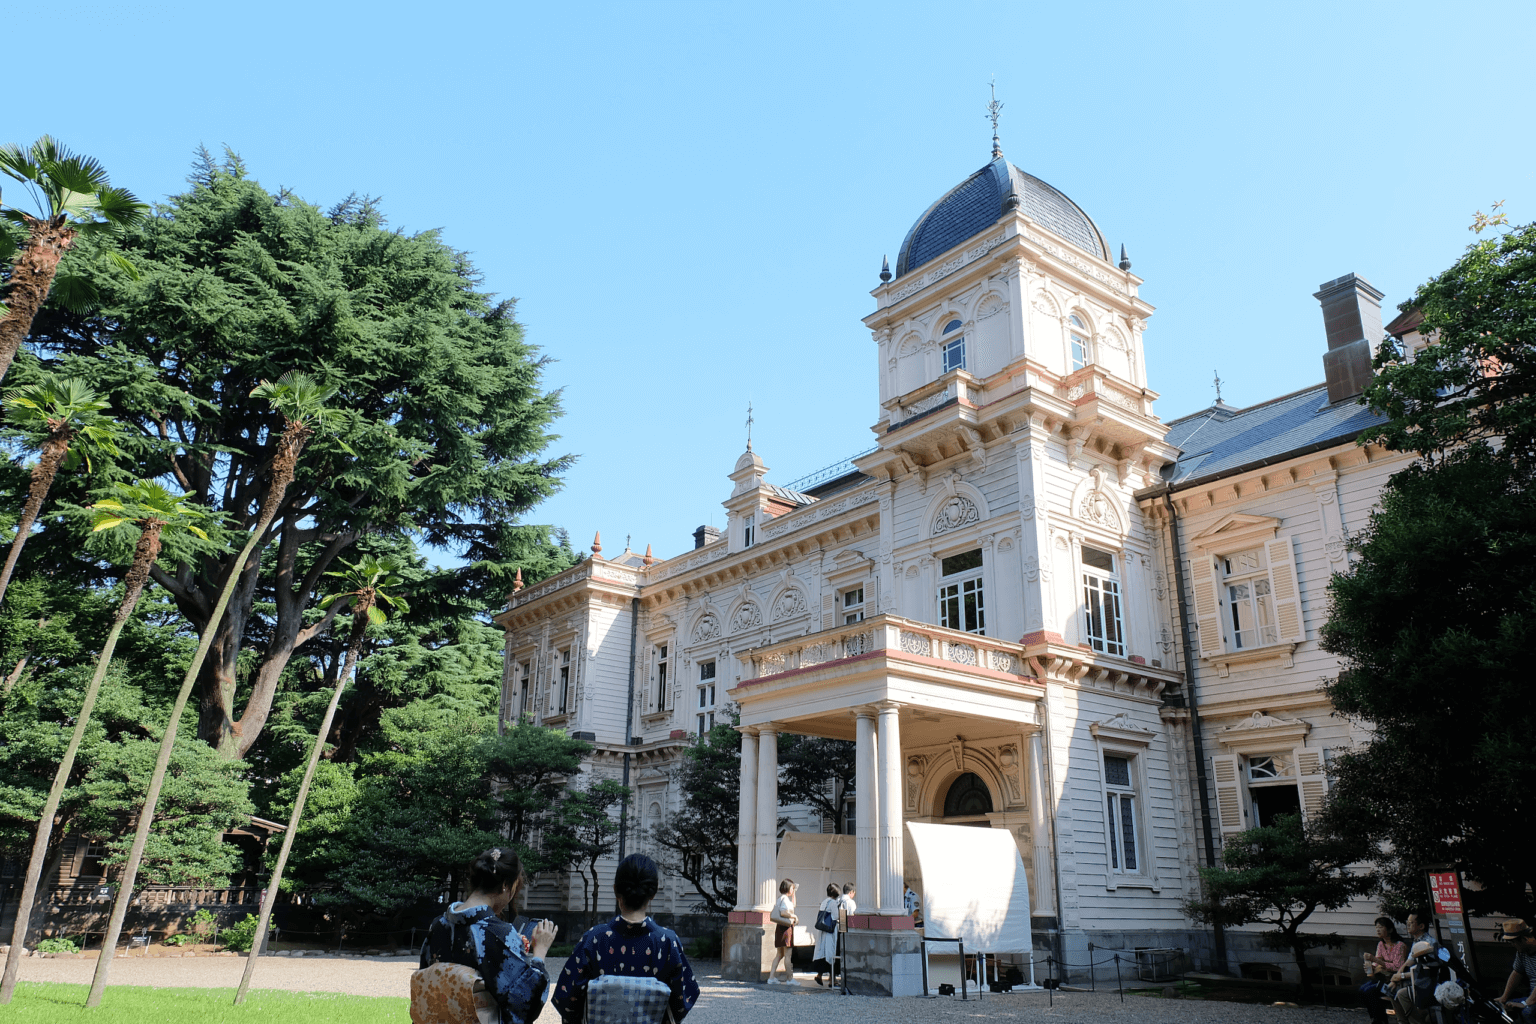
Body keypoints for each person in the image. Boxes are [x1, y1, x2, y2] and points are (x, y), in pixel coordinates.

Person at [551, 853, 699, 1023]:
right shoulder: (667, 942)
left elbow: (567, 1001)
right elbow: (682, 1003)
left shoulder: (593, 939)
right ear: (653, 893)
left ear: (616, 890)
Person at [419, 847, 557, 1024]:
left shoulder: (438, 925)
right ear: (506, 885)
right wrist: (539, 954)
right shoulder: (499, 933)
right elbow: (523, 1006)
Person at [1359, 916, 1407, 1024]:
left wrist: (1377, 961)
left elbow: (1397, 966)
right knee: (1362, 989)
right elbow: (1377, 963)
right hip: (1381, 977)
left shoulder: (1400, 945)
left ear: (1390, 929)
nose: (1378, 930)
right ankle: (1377, 1018)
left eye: (1381, 927)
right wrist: (1371, 967)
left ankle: (1379, 1020)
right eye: (1376, 928)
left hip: (1394, 981)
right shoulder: (1381, 944)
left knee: (1370, 991)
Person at [1495, 919, 1536, 1023]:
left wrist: (1526, 1004)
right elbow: (1517, 972)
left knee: (1527, 1012)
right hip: (1532, 997)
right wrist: (1504, 998)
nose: (1512, 945)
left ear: (1524, 938)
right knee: (1503, 1008)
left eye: (1513, 942)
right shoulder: (1522, 953)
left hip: (1533, 999)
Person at [766, 878, 798, 985]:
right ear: (788, 888)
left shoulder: (780, 898)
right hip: (786, 929)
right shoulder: (785, 900)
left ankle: (771, 977)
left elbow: (793, 906)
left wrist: (794, 895)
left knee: (779, 954)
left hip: (779, 928)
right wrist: (794, 916)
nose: (793, 890)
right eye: (792, 888)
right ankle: (790, 979)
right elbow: (784, 912)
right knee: (788, 955)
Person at [812, 883, 840, 987]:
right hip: (830, 931)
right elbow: (836, 916)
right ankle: (832, 980)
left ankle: (819, 975)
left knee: (822, 954)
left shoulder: (824, 901)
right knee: (831, 953)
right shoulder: (833, 903)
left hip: (822, 930)